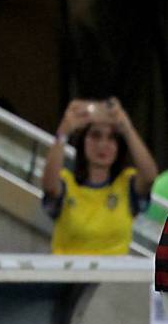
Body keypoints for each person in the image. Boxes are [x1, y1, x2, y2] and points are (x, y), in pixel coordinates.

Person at [42, 98, 158, 255]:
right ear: (83, 141)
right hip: (69, 276)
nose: (103, 145)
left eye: (111, 138)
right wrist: (63, 132)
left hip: (113, 277)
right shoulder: (66, 182)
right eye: (95, 136)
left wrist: (126, 128)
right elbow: (49, 185)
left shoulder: (125, 183)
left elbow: (150, 176)